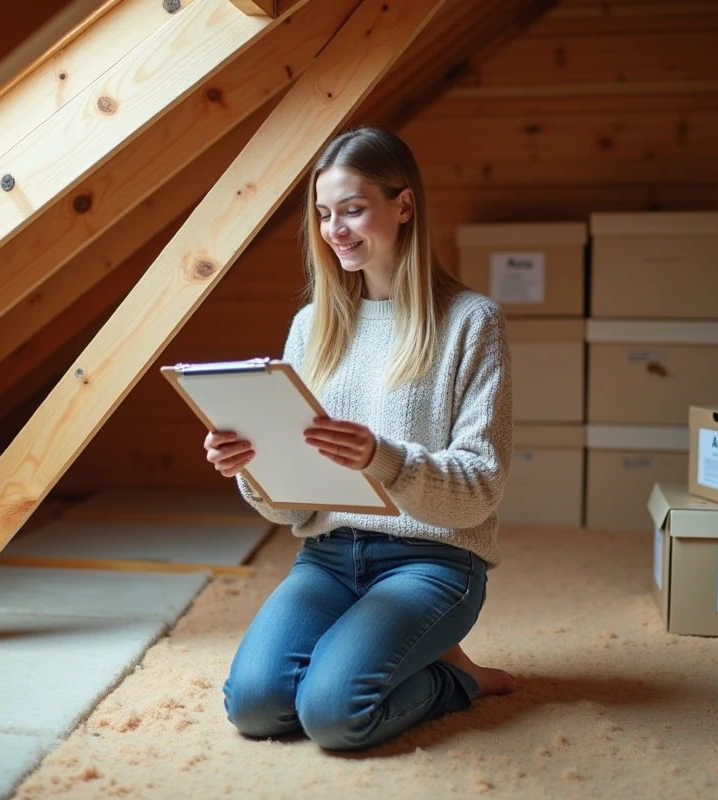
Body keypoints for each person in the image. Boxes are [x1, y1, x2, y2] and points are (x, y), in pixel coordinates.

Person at [202, 126, 517, 752]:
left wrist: (384, 459)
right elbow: (292, 506)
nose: (335, 229)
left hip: (433, 560)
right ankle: (405, 653)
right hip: (329, 555)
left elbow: (480, 487)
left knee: (335, 715)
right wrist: (252, 467)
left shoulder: (471, 321)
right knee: (256, 707)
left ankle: (459, 679)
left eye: (352, 209)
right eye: (323, 214)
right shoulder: (310, 327)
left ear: (403, 206)